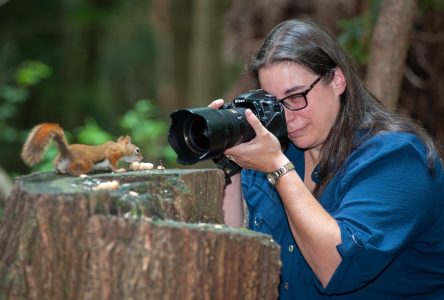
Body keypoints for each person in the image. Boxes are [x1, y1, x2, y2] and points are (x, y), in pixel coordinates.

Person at [210, 19, 444, 299]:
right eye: (272, 103)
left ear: (337, 80)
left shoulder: (397, 158)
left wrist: (279, 169)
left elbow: (337, 268)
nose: (287, 115)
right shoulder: (279, 150)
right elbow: (236, 248)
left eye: (296, 96)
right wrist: (230, 160)